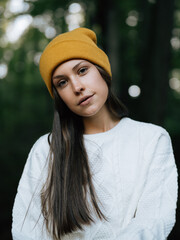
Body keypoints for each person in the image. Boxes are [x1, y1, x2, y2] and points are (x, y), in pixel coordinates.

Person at [12, 27, 178, 240]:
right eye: (62, 82)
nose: (77, 87)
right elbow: (27, 232)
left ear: (102, 70)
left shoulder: (152, 139)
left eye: (82, 70)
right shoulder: (46, 149)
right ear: (58, 96)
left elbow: (154, 220)